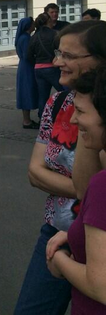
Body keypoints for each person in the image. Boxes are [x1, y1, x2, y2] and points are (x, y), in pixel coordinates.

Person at [15, 20, 106, 314]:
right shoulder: (59, 103)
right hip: (59, 229)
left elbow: (88, 188)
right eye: (58, 53)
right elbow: (35, 171)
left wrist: (83, 191)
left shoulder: (95, 112)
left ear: (99, 60)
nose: (56, 62)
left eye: (67, 55)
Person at [46, 66, 106, 313]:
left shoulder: (101, 184)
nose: (72, 119)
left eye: (80, 111)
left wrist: (58, 259)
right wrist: (74, 234)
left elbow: (100, 286)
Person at [28, 12, 63, 119]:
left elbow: (29, 55)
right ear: (48, 21)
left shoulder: (34, 37)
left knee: (42, 96)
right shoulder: (55, 34)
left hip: (38, 69)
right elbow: (60, 50)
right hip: (52, 67)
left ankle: (42, 119)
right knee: (65, 92)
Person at [15, 17, 40, 129]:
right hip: (27, 68)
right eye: (33, 24)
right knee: (27, 92)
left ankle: (27, 119)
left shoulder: (23, 37)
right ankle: (26, 120)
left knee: (26, 91)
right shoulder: (25, 38)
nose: (34, 25)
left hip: (24, 66)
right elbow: (27, 55)